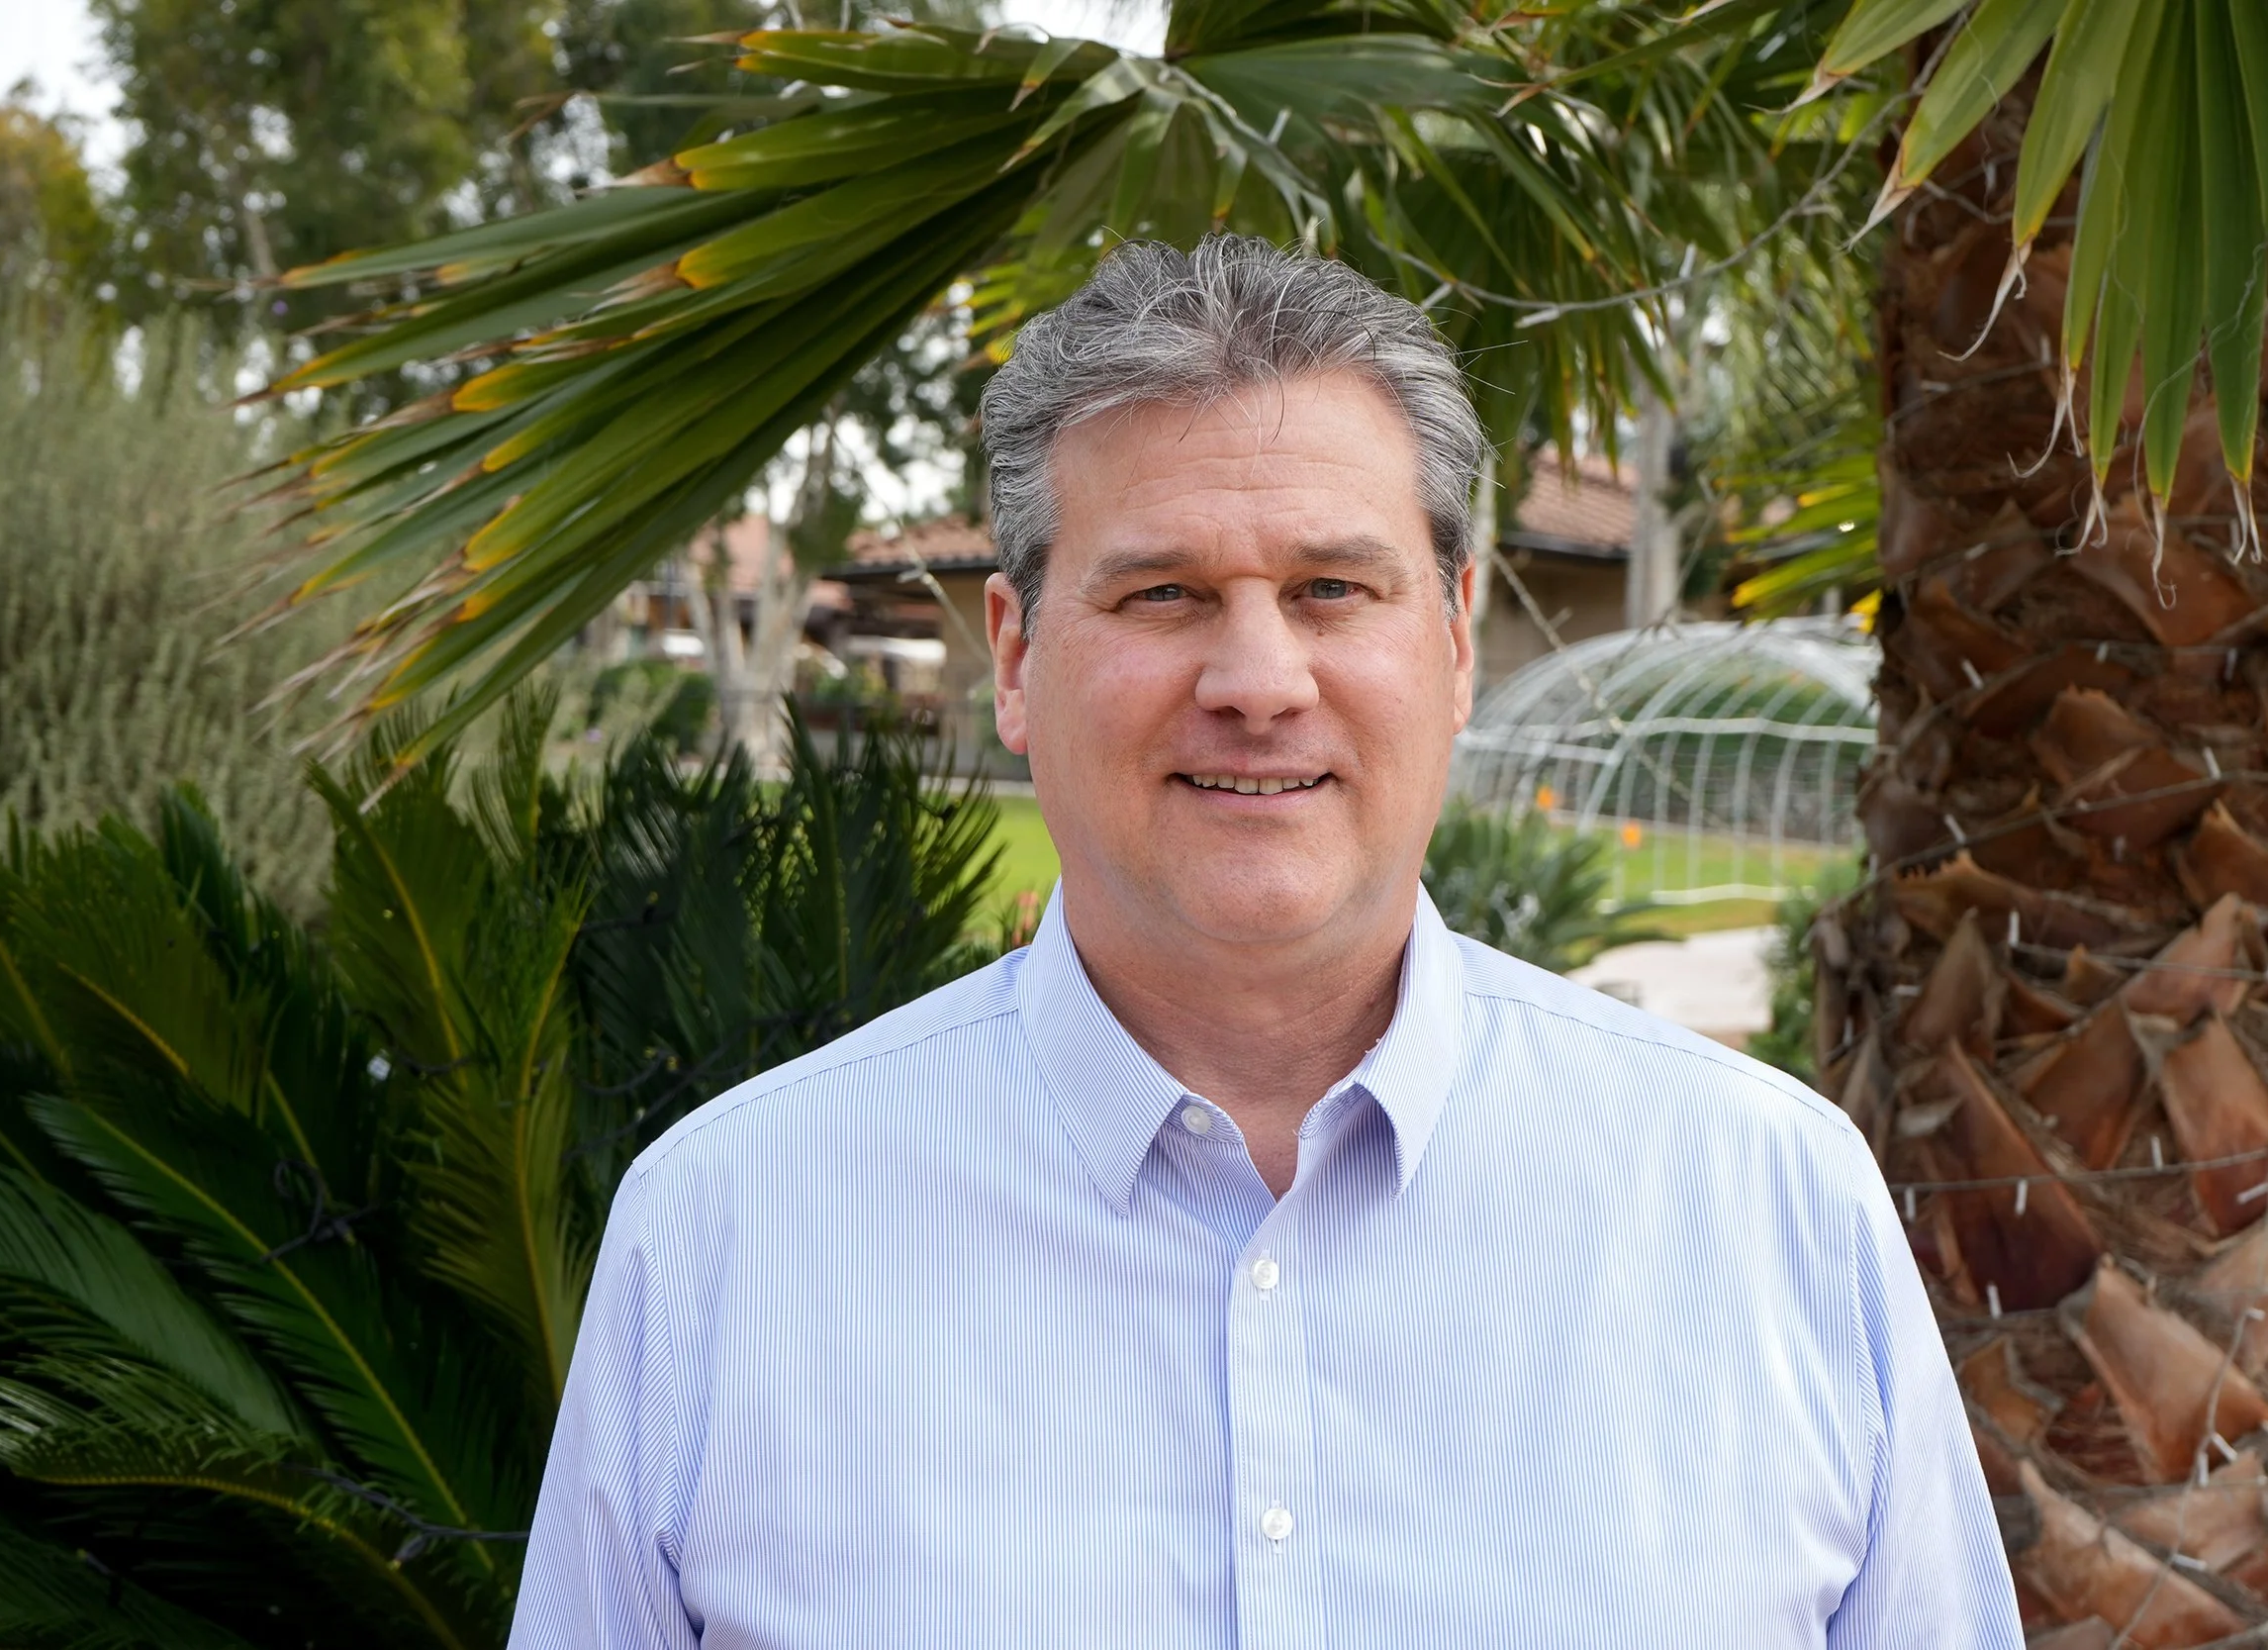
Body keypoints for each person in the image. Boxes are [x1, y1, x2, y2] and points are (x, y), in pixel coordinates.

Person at [511, 235, 2020, 1647]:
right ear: (1018, 657)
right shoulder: (724, 1231)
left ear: (1448, 638)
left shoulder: (1773, 1211)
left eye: (1331, 589)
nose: (1256, 676)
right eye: (1165, 593)